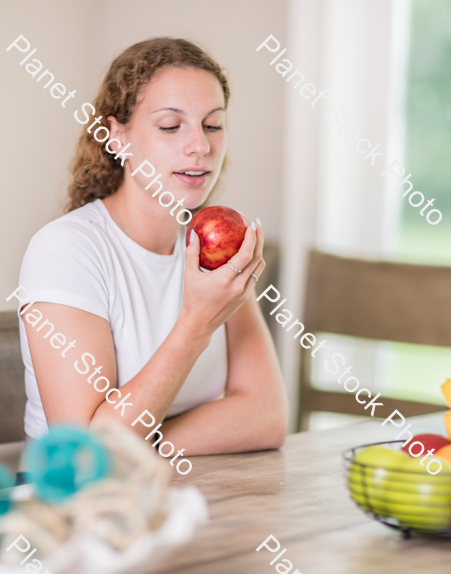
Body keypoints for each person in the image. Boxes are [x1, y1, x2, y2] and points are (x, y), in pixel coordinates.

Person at [17, 37, 287, 457]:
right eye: (170, 126)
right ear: (117, 136)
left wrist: (137, 445)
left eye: (212, 124)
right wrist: (197, 323)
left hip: (186, 492)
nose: (200, 145)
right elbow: (85, 454)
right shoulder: (66, 250)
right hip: (77, 508)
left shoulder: (218, 248)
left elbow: (268, 417)